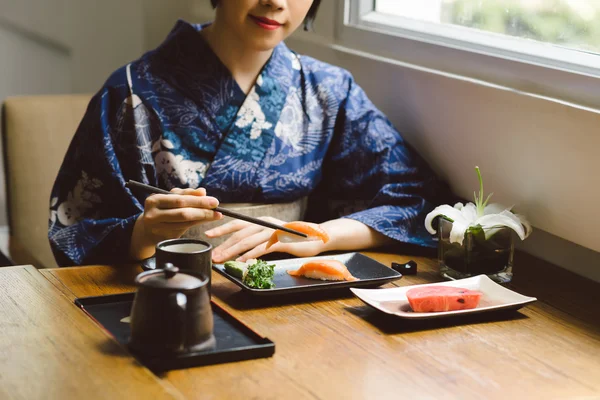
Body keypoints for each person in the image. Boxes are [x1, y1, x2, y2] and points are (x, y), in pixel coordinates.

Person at [48, 0, 452, 267]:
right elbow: (73, 228)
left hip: (292, 301)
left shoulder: (329, 91)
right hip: (164, 298)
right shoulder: (132, 91)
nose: (276, 1)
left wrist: (319, 235)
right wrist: (143, 232)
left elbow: (420, 202)